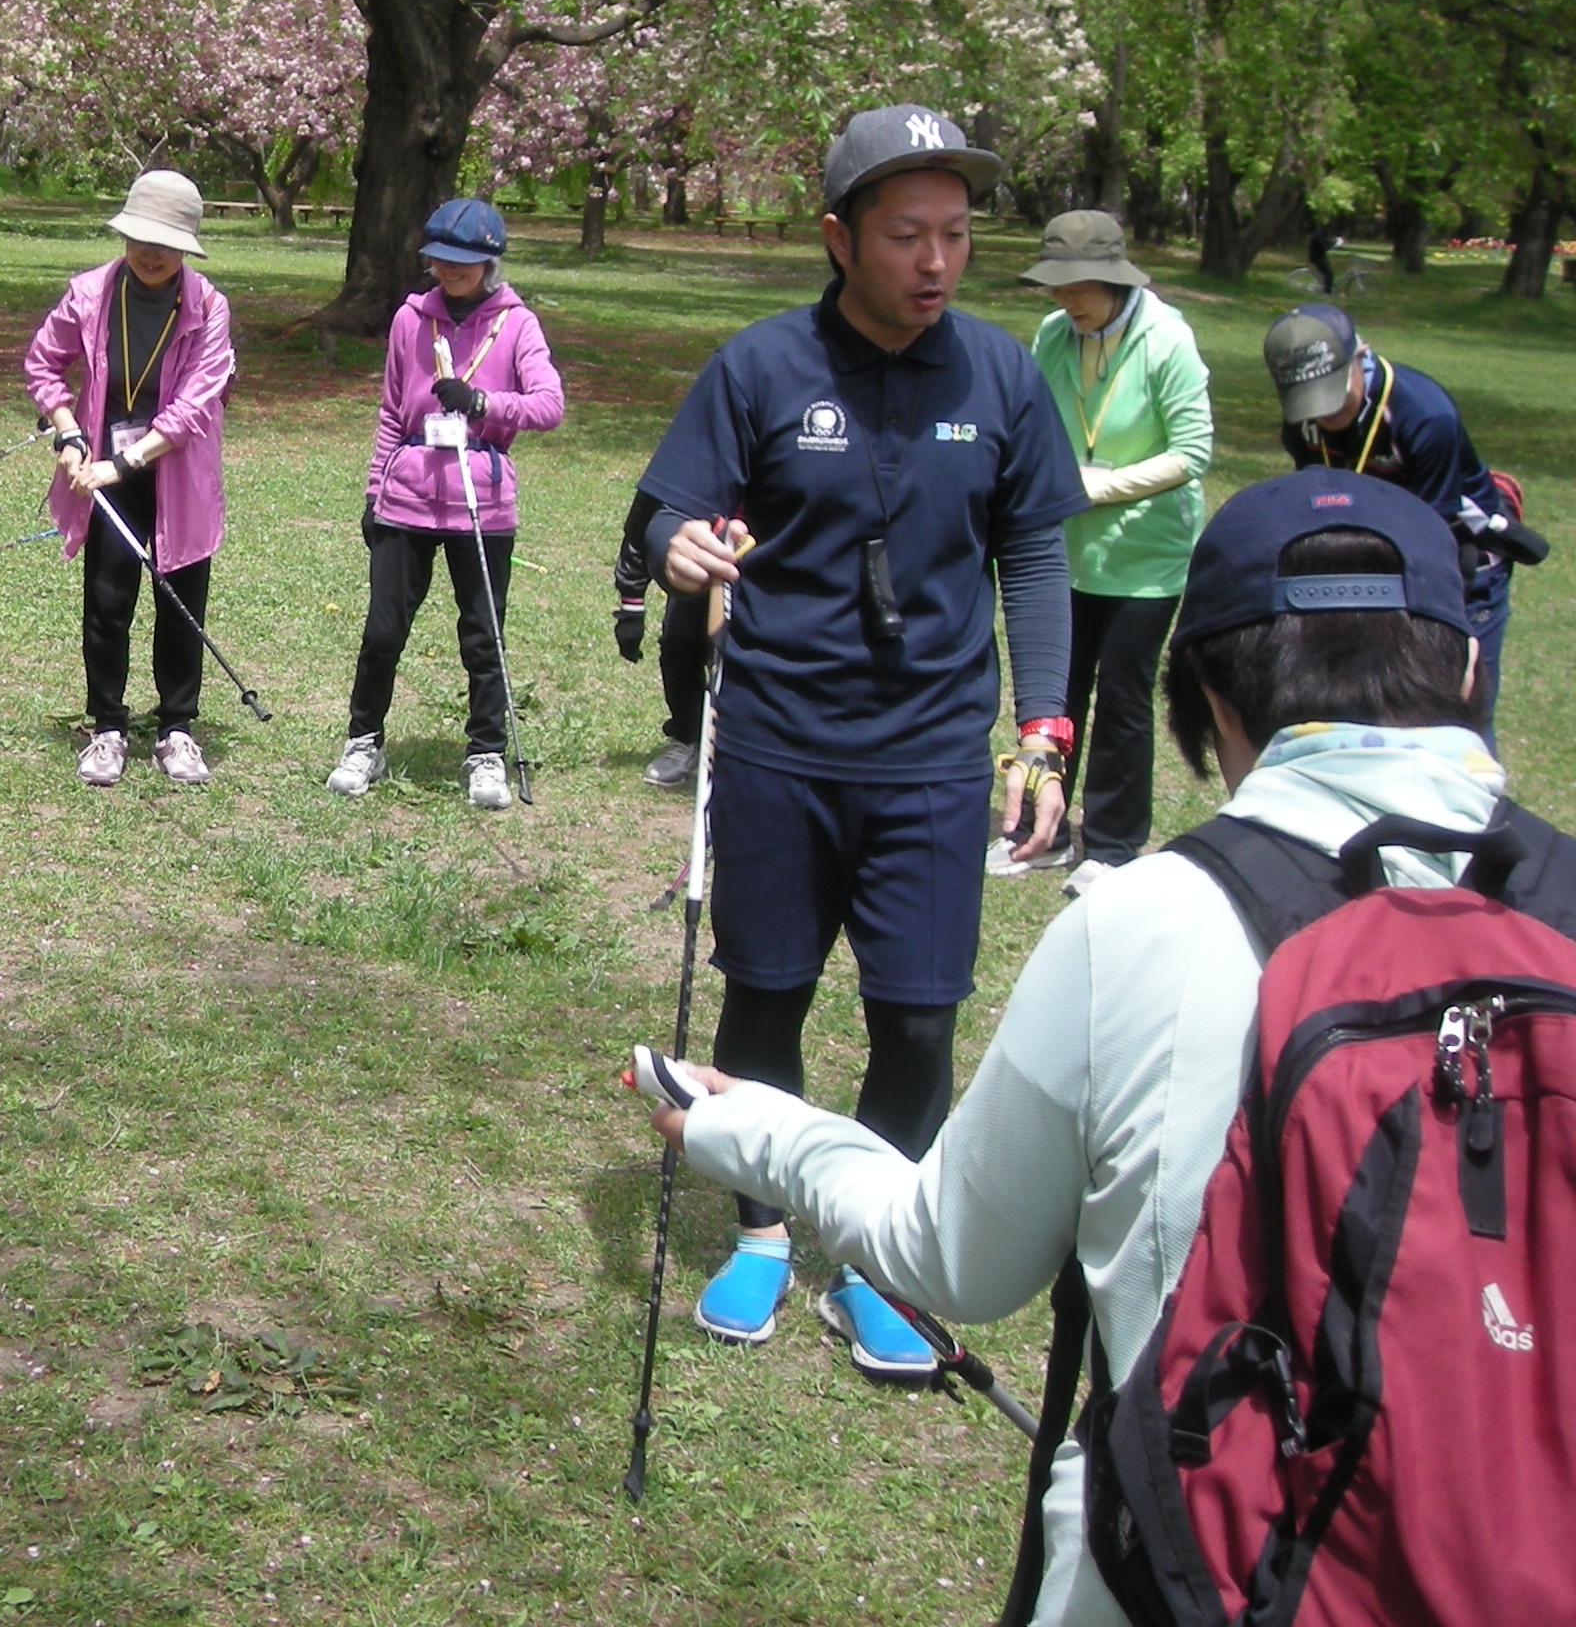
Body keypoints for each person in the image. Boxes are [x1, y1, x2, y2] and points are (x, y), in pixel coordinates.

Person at [627, 468, 1520, 1626]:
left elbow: (956, 1258)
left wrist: (748, 1126)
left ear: (1203, 693)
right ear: (1468, 668)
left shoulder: (1145, 925)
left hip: (1189, 1570)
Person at [636, 104, 1086, 1380]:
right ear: (840, 238)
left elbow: (1038, 553)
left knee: (921, 1021)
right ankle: (766, 1231)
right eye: (906, 236)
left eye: (954, 233)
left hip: (935, 756)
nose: (936, 261)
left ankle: (878, 1258)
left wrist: (1042, 730)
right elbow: (675, 506)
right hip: (781, 744)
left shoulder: (1001, 376)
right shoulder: (763, 367)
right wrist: (680, 547)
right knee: (764, 994)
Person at [326, 198, 565, 810]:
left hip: (482, 505)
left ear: (490, 262)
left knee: (483, 636)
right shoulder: (411, 319)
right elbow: (389, 410)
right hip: (406, 499)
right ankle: (363, 739)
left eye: (465, 261)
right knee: (383, 631)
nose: (450, 271)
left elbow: (548, 406)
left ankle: (486, 752)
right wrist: (375, 491)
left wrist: (484, 403)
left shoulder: (518, 324)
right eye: (440, 260)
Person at [1014, 211, 1212, 890]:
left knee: (1123, 698)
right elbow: (1032, 420)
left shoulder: (1167, 341)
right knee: (1056, 692)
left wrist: (1100, 486)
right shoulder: (1053, 334)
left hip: (1145, 557)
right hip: (1066, 547)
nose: (1063, 299)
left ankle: (1112, 846)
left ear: (1111, 279)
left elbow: (1193, 452)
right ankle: (1039, 831)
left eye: (1075, 288)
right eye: (1055, 287)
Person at [25, 171, 239, 787]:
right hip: (102, 466)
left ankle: (177, 728)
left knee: (181, 602)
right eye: (141, 238)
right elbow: (44, 364)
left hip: (173, 468)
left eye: (167, 243)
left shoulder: (209, 307)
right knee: (108, 599)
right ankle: (108, 728)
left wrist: (123, 462)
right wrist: (67, 428)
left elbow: (195, 405)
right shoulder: (90, 294)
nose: (151, 253)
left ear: (187, 248)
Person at [1265, 299, 1523, 737]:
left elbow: (1432, 537)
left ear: (1360, 356)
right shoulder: (1303, 422)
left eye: (1331, 392)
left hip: (1458, 562)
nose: (1324, 415)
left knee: (1454, 715)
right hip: (1370, 563)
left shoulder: (1425, 415)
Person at [615, 485, 711, 791]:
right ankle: (686, 737)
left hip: (770, 559)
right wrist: (631, 607)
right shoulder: (691, 453)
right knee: (679, 644)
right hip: (698, 558)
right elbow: (640, 525)